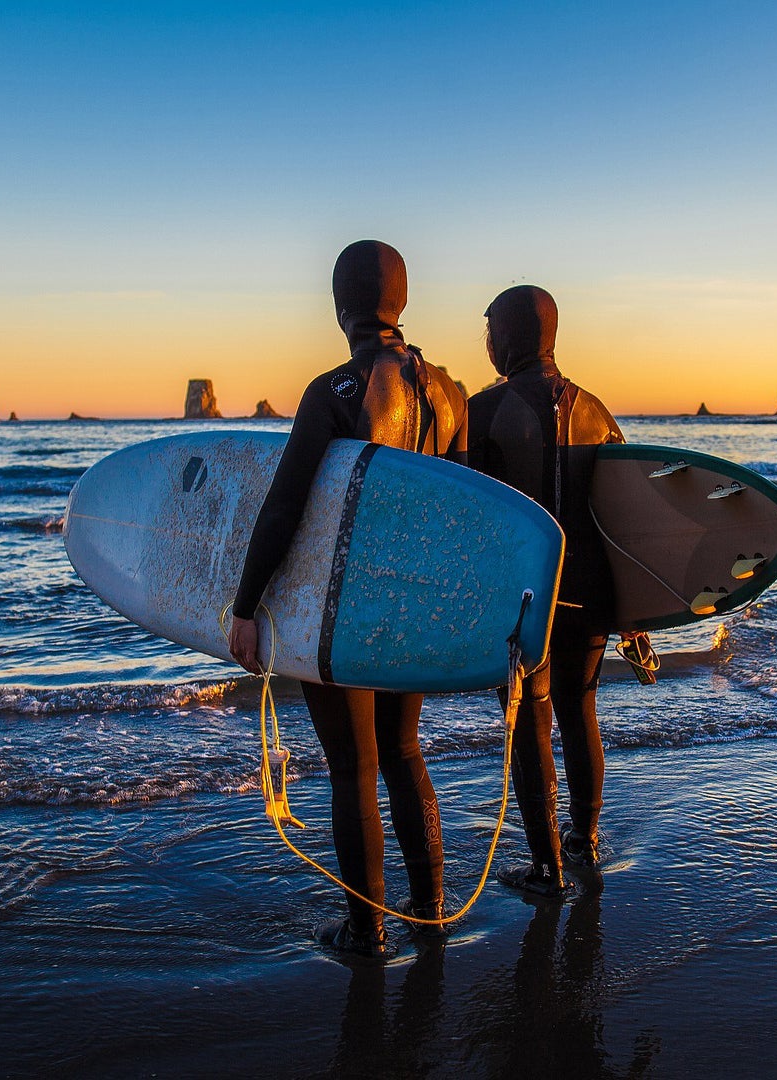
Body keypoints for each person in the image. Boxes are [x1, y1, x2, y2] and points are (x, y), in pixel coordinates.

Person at [226, 240, 468, 958]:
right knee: (403, 751)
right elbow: (459, 513)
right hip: (416, 602)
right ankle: (431, 908)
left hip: (347, 607)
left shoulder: (335, 389)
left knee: (352, 767)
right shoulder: (450, 392)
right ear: (402, 301)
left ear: (340, 306)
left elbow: (284, 508)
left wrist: (246, 605)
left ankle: (368, 931)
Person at [466, 284, 624, 896]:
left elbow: (468, 517)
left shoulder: (486, 411)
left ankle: (546, 868)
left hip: (526, 597)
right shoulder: (598, 410)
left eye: (489, 332)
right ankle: (584, 843)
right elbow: (627, 513)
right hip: (591, 590)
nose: (486, 345)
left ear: (506, 337)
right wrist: (632, 606)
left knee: (531, 723)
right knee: (581, 712)